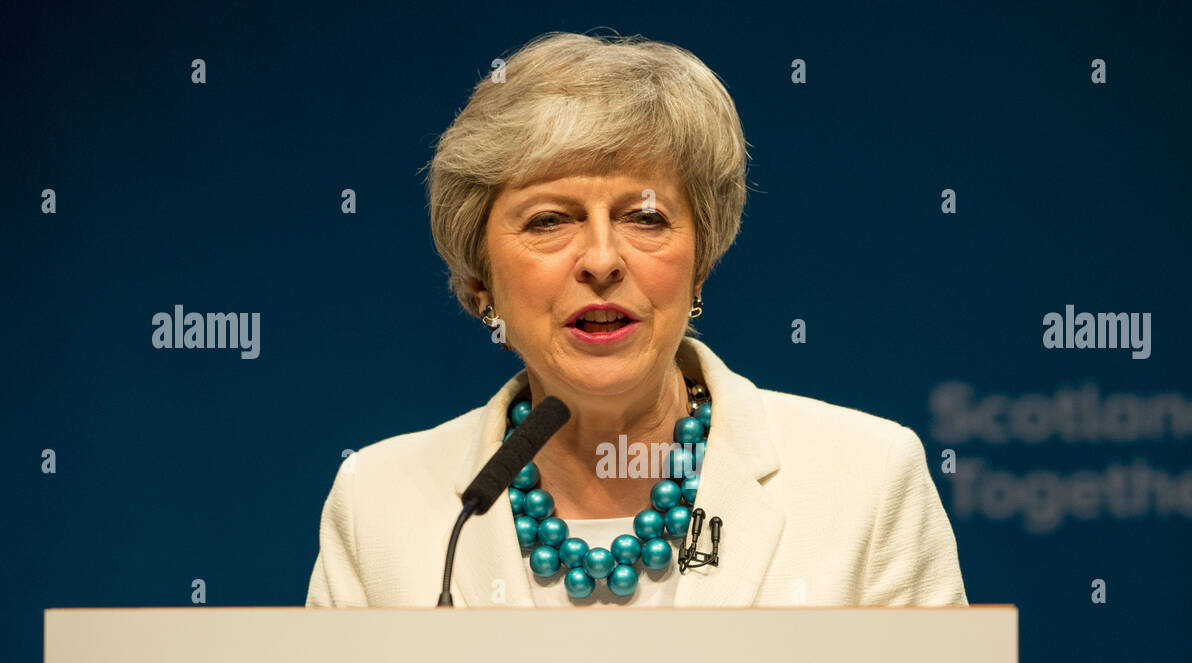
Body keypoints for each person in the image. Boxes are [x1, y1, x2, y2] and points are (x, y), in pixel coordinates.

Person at [306, 30, 967, 609]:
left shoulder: (867, 481)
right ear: (481, 284)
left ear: (699, 262)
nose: (601, 259)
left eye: (645, 217)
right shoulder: (378, 506)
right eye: (548, 220)